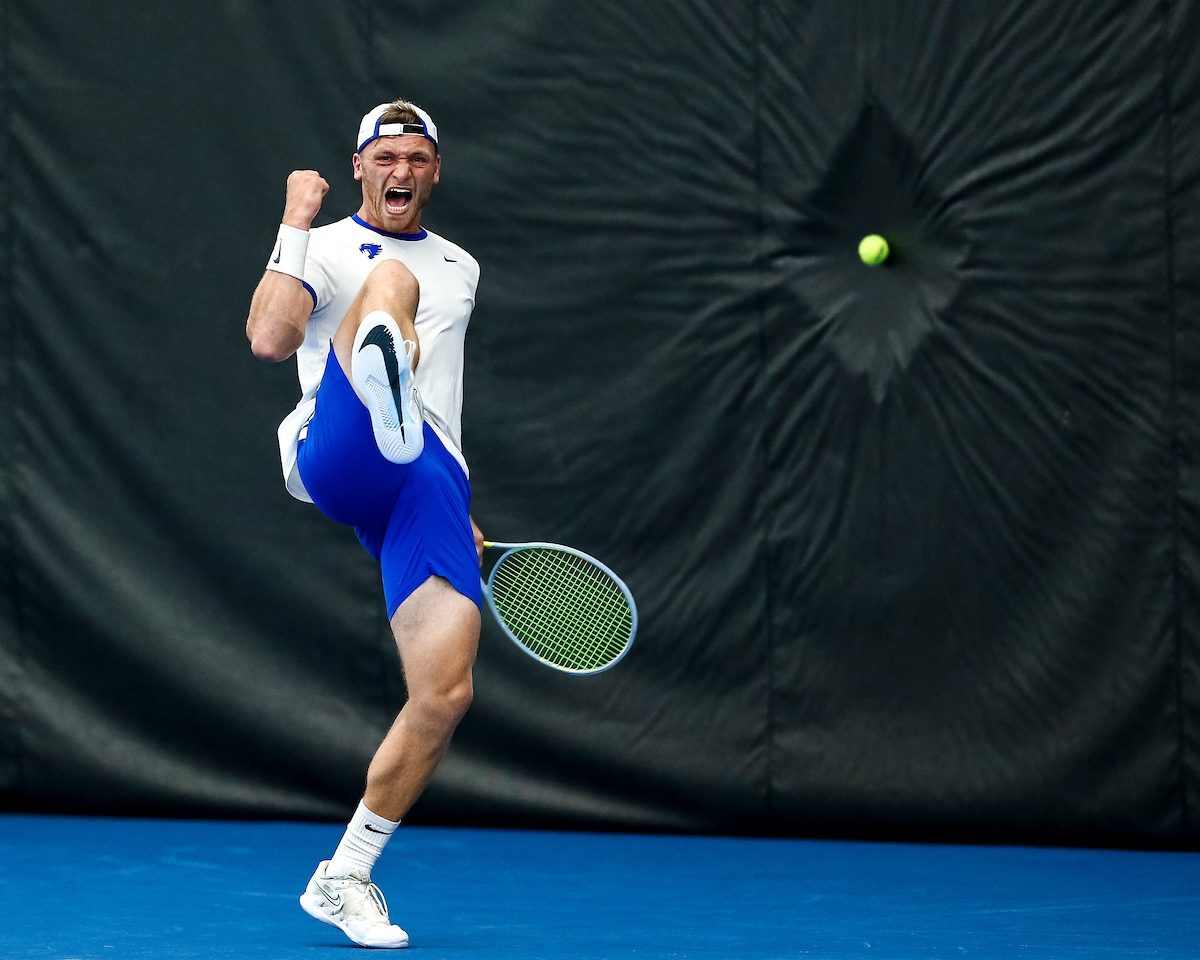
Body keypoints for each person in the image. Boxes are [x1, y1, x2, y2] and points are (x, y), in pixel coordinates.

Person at [246, 99, 483, 950]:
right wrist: (294, 221)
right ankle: (382, 387)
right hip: (337, 449)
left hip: (426, 474)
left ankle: (343, 874)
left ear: (435, 171)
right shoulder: (329, 246)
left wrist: (456, 503)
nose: (402, 171)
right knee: (392, 286)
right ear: (359, 169)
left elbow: (449, 396)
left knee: (444, 692)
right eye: (385, 157)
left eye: (417, 158)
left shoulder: (463, 264)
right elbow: (271, 341)